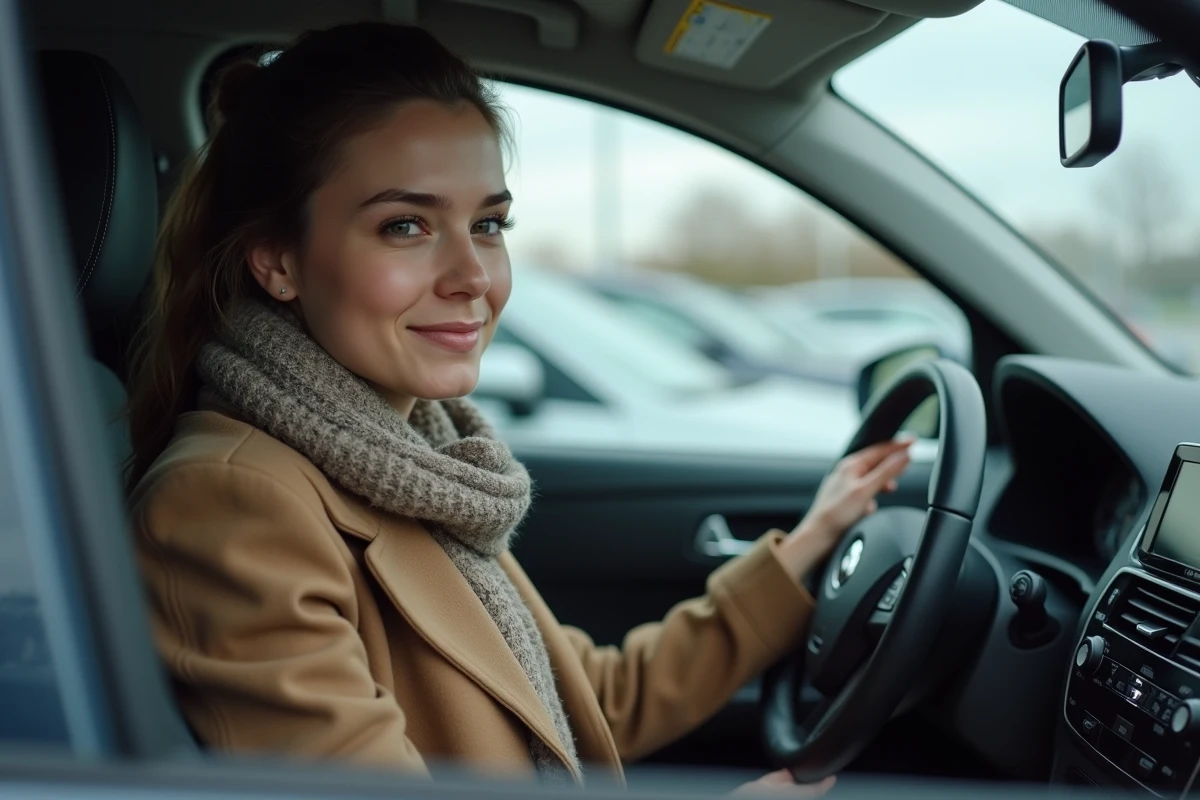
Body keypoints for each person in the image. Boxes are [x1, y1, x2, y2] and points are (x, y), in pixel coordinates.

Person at [123, 22, 913, 795]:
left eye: (488, 224)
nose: (473, 274)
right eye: (406, 226)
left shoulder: (416, 460)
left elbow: (580, 706)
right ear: (278, 261)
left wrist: (805, 550)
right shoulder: (232, 501)